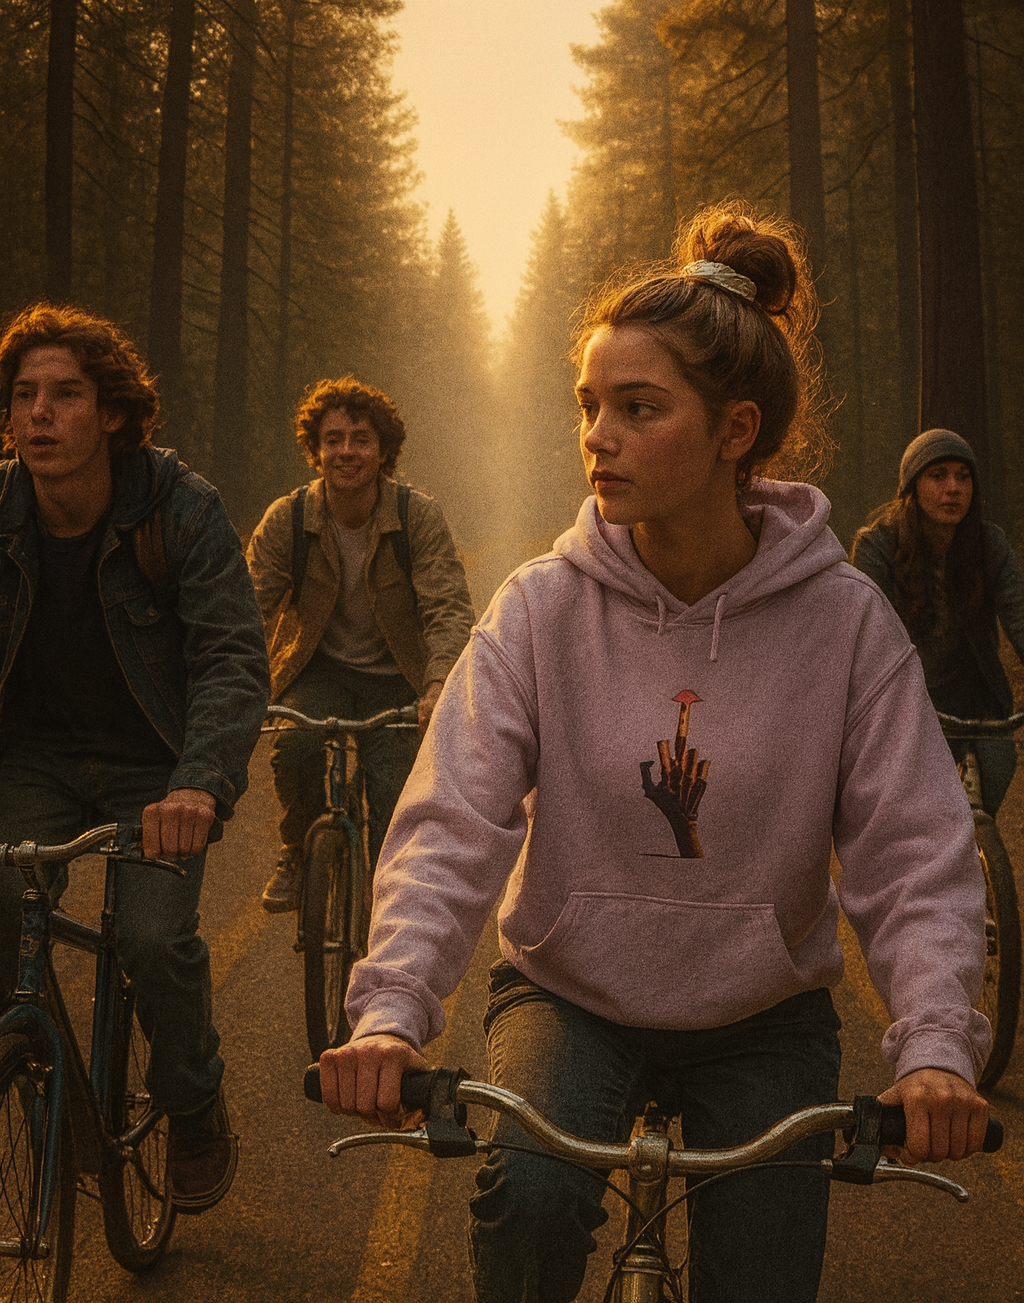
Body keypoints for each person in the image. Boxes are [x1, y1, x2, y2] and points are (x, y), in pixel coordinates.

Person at [319, 206, 991, 1303]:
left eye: (637, 409)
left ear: (735, 431)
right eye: (589, 406)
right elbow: (454, 820)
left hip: (760, 1019)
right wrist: (391, 1010)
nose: (597, 436)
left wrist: (932, 1047)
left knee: (763, 1276)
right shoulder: (540, 607)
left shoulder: (846, 622)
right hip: (568, 993)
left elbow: (913, 854)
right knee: (527, 1209)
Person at [0, 303, 269, 1213]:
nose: (39, 414)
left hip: (154, 764)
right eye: (24, 395)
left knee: (154, 940)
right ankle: (30, 1074)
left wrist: (199, 782)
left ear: (111, 412)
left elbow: (232, 656)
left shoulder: (178, 507)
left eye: (65, 395)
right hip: (31, 759)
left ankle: (192, 1102)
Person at [247, 376, 474, 912]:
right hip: (318, 670)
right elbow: (245, 609)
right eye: (334, 439)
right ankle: (298, 853)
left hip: (396, 675)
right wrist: (235, 682)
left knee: (394, 787)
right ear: (316, 449)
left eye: (361, 438)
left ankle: (391, 899)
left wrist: (439, 681)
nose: (346, 450)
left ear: (383, 450)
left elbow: (447, 606)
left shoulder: (416, 516)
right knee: (293, 747)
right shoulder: (290, 518)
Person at [851, 429, 1024, 817]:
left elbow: (1019, 616)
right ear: (912, 487)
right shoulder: (877, 547)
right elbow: (871, 637)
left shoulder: (989, 544)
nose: (953, 488)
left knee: (996, 772)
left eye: (964, 477)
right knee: (912, 818)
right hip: (906, 702)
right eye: (938, 475)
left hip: (978, 703)